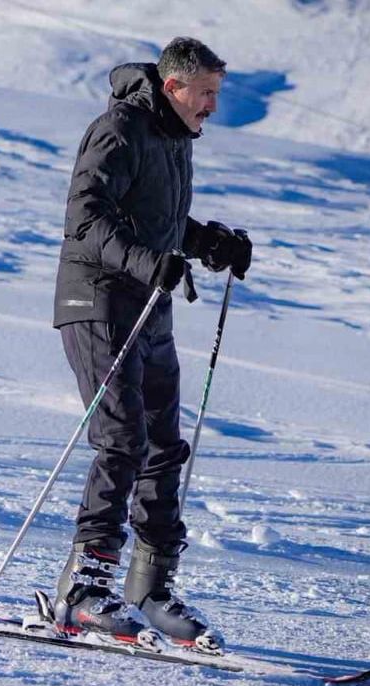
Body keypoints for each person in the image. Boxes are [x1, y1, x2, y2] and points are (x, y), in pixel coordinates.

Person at [50, 37, 252, 653]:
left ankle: (150, 589)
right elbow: (86, 219)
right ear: (173, 87)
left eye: (216, 93)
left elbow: (156, 220)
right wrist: (146, 261)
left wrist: (207, 243)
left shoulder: (172, 139)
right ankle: (83, 590)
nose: (212, 106)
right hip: (98, 300)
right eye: (206, 93)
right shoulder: (118, 130)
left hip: (148, 303)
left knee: (165, 445)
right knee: (123, 438)